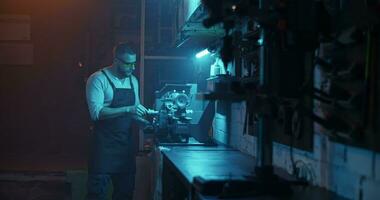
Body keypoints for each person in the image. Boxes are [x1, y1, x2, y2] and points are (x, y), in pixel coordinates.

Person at [85, 43, 148, 200]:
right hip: (103, 149)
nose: (132, 67)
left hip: (125, 149)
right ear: (116, 60)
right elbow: (96, 113)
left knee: (125, 194)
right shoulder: (98, 79)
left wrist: (145, 123)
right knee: (96, 195)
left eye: (134, 63)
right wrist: (128, 109)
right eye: (128, 63)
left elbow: (135, 111)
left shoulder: (133, 80)